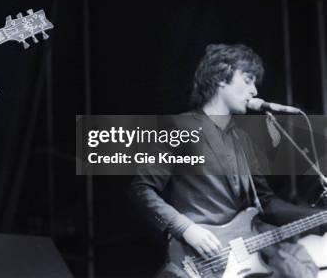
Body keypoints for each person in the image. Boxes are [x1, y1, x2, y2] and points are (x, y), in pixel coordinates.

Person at [130, 44, 322, 277]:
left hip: (237, 263)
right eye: (248, 79)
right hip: (194, 260)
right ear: (221, 77)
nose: (254, 91)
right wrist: (186, 229)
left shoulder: (243, 140)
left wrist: (316, 217)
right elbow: (142, 188)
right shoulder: (178, 126)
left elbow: (266, 204)